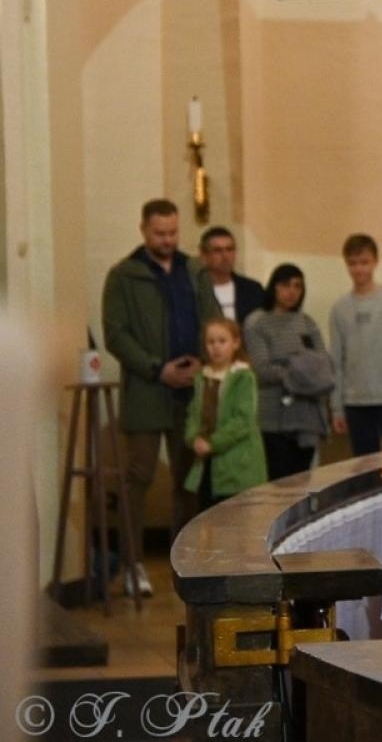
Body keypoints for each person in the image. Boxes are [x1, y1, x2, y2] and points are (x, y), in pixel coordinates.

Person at [102, 197, 202, 596]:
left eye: (173, 232)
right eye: (160, 233)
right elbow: (115, 333)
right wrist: (156, 367)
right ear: (144, 230)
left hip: (190, 387)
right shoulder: (123, 276)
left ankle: (186, 564)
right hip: (147, 388)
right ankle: (133, 564)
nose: (167, 240)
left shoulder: (193, 270)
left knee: (188, 478)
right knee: (138, 477)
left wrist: (199, 362)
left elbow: (209, 317)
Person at [328, 234, 382, 456]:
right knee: (363, 467)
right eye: (353, 263)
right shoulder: (340, 309)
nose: (359, 269)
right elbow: (336, 360)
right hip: (354, 401)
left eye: (364, 262)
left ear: (375, 262)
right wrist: (337, 407)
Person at [244, 264, 330, 479]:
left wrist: (291, 367)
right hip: (273, 418)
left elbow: (323, 369)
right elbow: (263, 369)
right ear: (274, 287)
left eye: (297, 286)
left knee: (301, 482)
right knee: (278, 482)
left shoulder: (307, 323)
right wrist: (301, 370)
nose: (291, 291)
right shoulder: (257, 322)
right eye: (285, 285)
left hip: (306, 418)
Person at [183, 317, 267, 510]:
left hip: (237, 464)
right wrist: (193, 438)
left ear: (235, 343)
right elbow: (194, 413)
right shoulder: (202, 377)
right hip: (206, 463)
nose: (216, 348)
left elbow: (243, 420)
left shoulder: (243, 376)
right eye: (210, 342)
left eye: (222, 341)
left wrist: (213, 442)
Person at [193, 226, 266, 327]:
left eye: (230, 249)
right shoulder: (195, 290)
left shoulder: (253, 290)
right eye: (218, 250)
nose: (225, 256)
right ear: (204, 255)